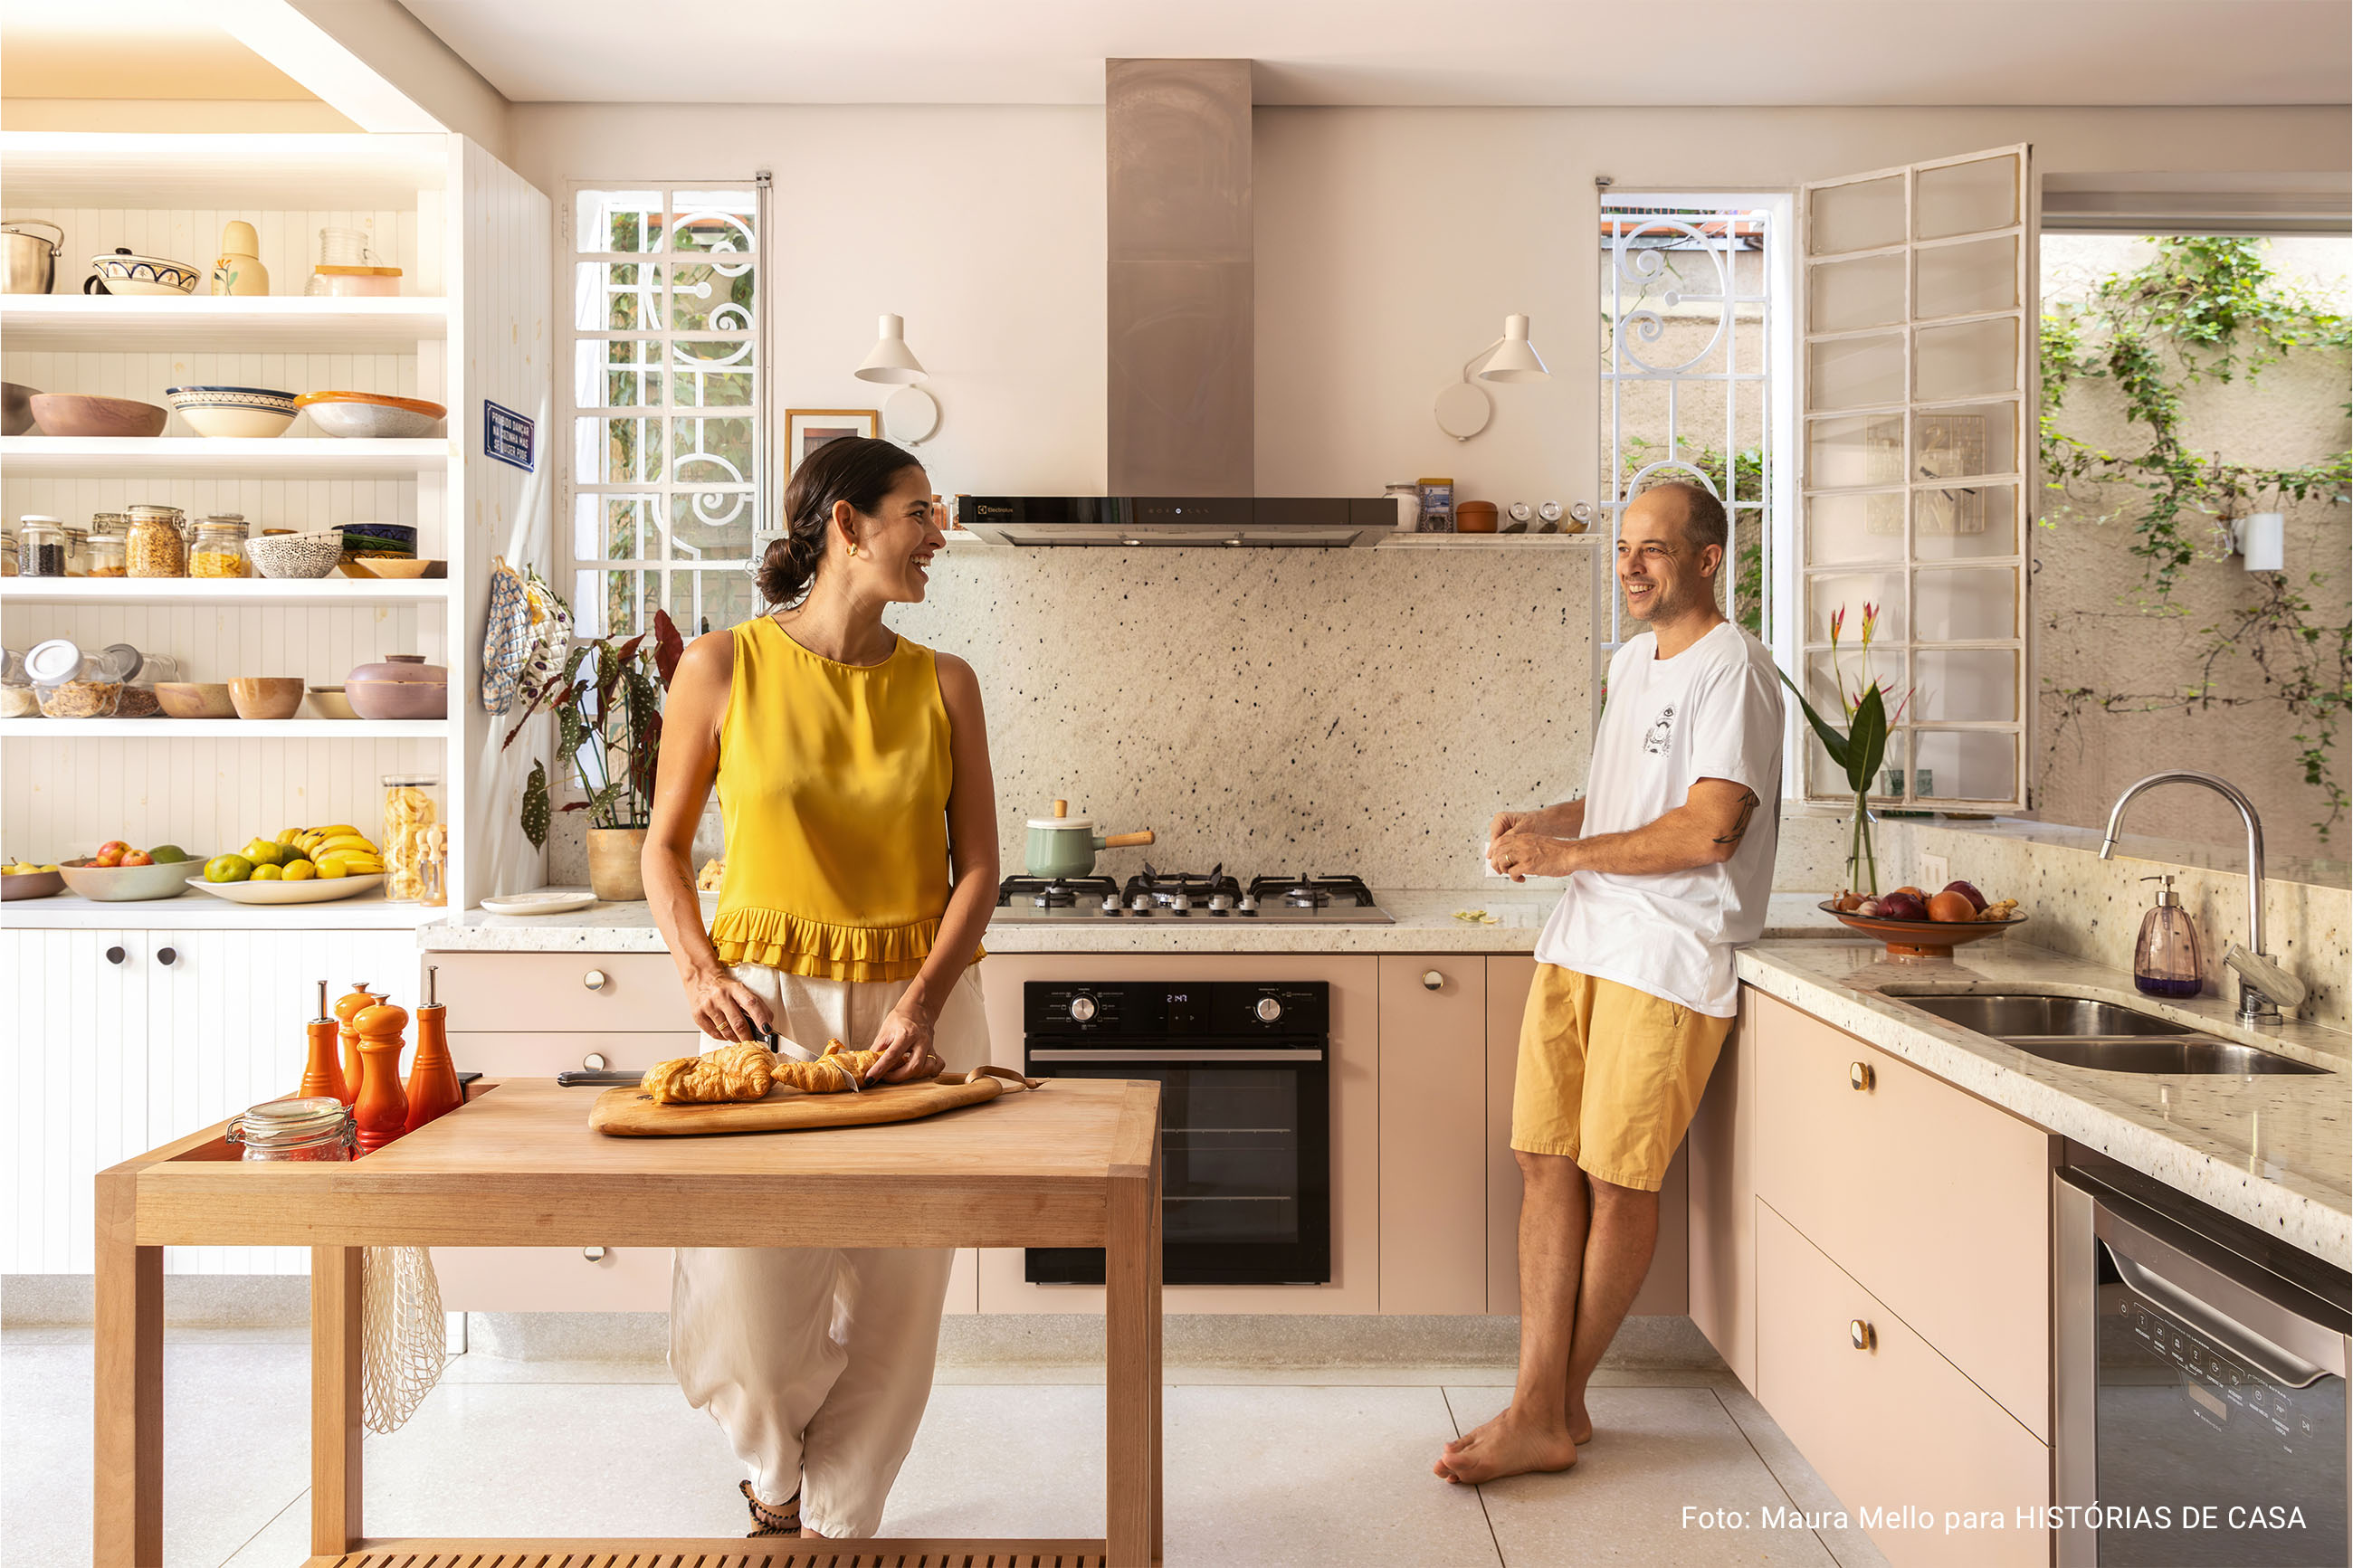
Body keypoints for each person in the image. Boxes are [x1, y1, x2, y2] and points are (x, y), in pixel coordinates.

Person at [641, 436, 1000, 1538]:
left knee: (899, 1302)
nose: (935, 533)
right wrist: (700, 970)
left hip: (917, 1010)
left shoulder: (944, 682)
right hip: (765, 1010)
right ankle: (775, 1480)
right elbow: (661, 846)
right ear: (844, 523)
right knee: (748, 1294)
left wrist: (925, 999)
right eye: (916, 513)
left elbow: (979, 864)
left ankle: (842, 1526)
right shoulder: (720, 665)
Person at [1435, 480, 1784, 1485]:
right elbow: (1627, 796)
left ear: (1708, 559)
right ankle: (1552, 1407)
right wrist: (1544, 824)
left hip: (1667, 954)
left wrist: (1569, 853)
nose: (1629, 564)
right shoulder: (1633, 662)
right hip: (1582, 940)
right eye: (1623, 547)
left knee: (1615, 1176)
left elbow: (1709, 825)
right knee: (1544, 1161)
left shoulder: (1736, 671)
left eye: (1654, 549)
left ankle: (1538, 1410)